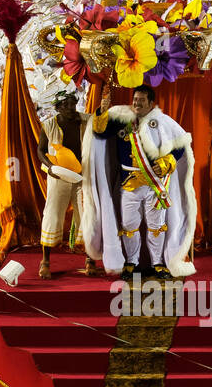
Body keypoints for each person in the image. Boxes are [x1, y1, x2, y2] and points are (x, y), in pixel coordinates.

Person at [85, 85, 195, 279]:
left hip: (156, 184)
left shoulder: (163, 121)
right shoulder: (122, 119)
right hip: (129, 182)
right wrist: (102, 110)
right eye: (135, 99)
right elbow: (101, 133)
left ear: (150, 103)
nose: (136, 103)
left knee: (156, 225)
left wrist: (168, 160)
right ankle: (131, 263)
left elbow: (180, 144)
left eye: (141, 100)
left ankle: (158, 263)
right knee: (129, 225)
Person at [37, 89, 95, 278]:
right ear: (58, 108)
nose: (71, 108)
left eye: (73, 103)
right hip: (59, 176)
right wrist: (50, 167)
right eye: (67, 105)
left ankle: (90, 260)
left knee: (87, 215)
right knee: (52, 214)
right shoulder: (48, 125)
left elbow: (102, 121)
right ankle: (45, 261)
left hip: (82, 176)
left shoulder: (86, 120)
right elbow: (40, 150)